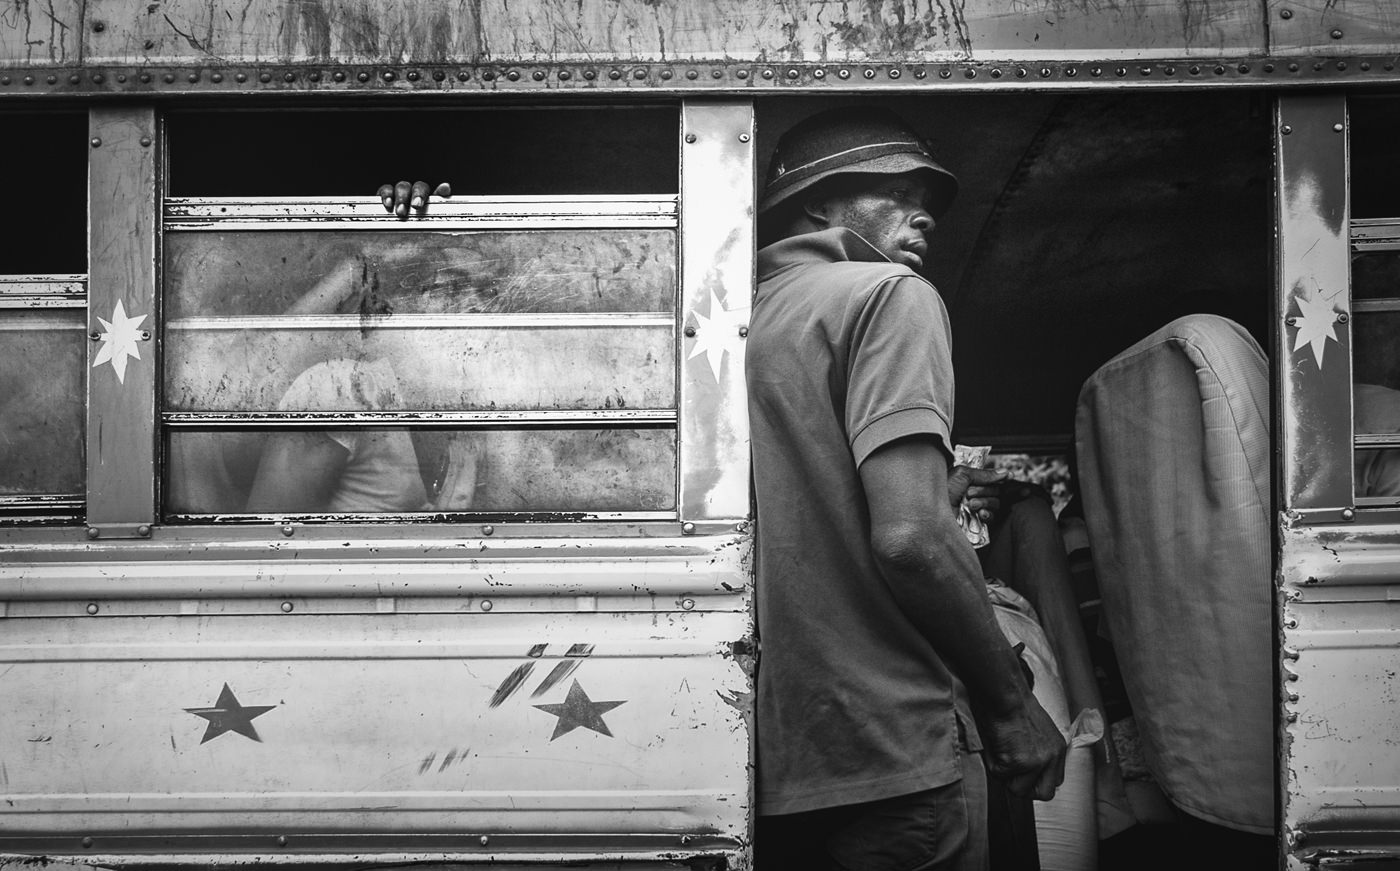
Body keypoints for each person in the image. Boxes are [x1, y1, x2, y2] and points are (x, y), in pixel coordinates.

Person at [747, 107, 1067, 869]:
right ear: (819, 202)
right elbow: (911, 537)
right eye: (897, 192)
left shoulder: (739, 318)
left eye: (927, 201)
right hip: (891, 735)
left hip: (777, 751)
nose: (924, 214)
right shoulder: (889, 294)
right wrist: (1011, 705)